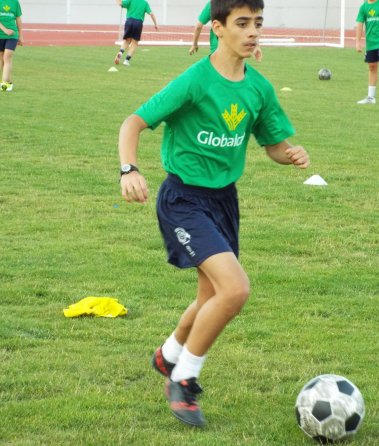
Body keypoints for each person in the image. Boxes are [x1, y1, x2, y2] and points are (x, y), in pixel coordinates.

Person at [118, 0, 310, 427]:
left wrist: (289, 154)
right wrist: (129, 169)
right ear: (217, 28)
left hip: (224, 201)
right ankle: (184, 380)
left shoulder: (258, 89)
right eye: (242, 23)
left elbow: (273, 145)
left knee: (211, 296)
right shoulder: (195, 81)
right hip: (183, 199)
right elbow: (133, 122)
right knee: (235, 289)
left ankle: (168, 356)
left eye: (257, 23)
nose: (253, 32)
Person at [190, 0, 262, 62]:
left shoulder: (211, 4)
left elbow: (199, 27)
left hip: (218, 47)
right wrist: (256, 46)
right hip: (235, 47)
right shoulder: (239, 4)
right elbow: (251, 26)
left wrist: (194, 44)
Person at [113, 0, 158, 66]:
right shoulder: (145, 2)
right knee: (134, 42)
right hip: (138, 23)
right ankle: (126, 61)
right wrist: (156, 24)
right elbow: (151, 13)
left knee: (127, 40)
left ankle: (121, 52)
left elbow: (121, 3)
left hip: (129, 21)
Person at [0, 0, 22, 91]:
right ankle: (8, 81)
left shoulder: (15, 2)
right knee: (2, 59)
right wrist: (5, 30)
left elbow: (18, 19)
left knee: (7, 57)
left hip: (12, 34)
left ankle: (4, 83)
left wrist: (21, 35)